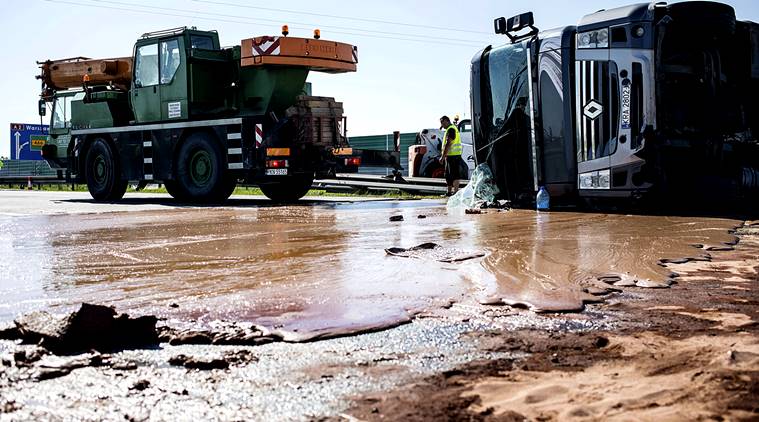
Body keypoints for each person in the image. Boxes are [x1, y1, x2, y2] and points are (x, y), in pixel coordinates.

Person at [438, 115, 464, 196]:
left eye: (442, 123)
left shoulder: (451, 129)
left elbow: (448, 143)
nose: (442, 126)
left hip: (454, 156)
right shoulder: (449, 129)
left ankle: (455, 193)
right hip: (450, 156)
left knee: (454, 174)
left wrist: (442, 157)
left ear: (446, 121)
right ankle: (449, 192)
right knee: (448, 175)